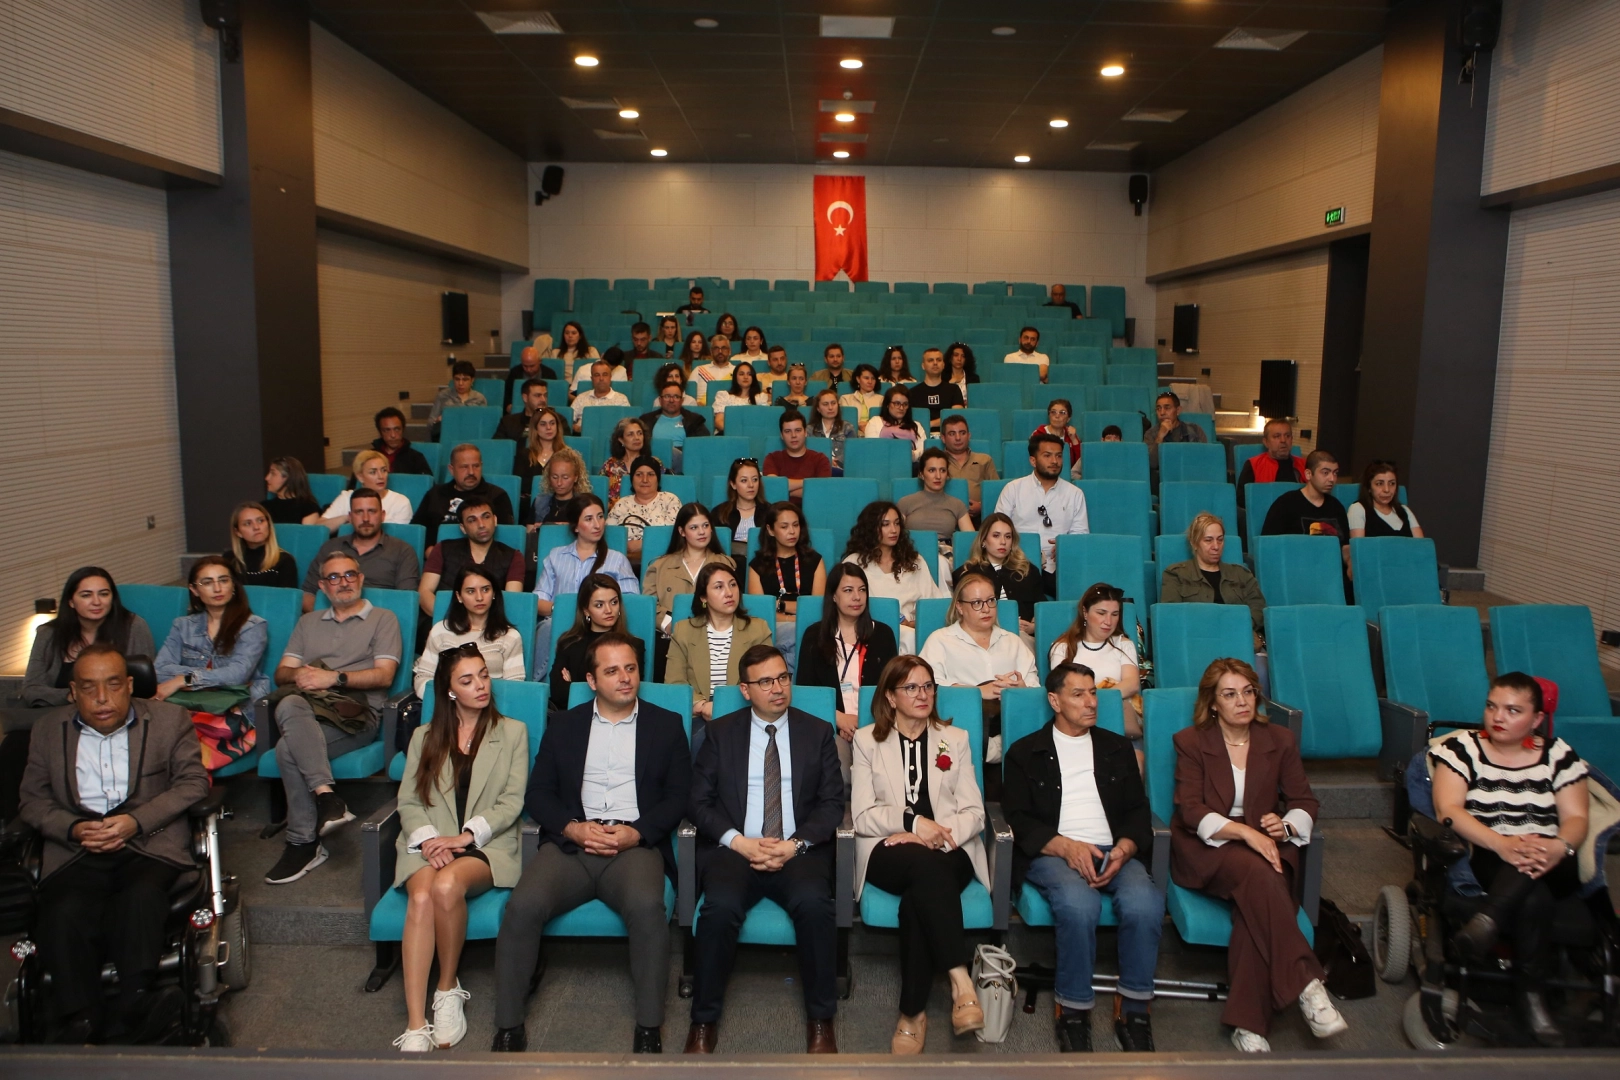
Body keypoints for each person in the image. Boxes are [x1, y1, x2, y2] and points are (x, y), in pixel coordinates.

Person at [494, 633, 690, 1054]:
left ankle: (649, 1026)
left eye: (631, 668)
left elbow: (679, 796)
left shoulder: (666, 724)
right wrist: (571, 828)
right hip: (573, 845)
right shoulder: (565, 725)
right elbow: (538, 794)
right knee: (522, 906)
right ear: (591, 680)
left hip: (633, 846)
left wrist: (639, 832)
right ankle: (508, 1025)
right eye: (612, 671)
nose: (625, 678)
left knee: (647, 908)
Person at [19, 645, 209, 1044]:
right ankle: (80, 1016)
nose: (102, 698)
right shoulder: (48, 730)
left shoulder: (169, 720)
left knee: (139, 897)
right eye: (89, 688)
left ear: (129, 685)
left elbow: (193, 783)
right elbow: (32, 801)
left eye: (113, 685)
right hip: (77, 848)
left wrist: (135, 822)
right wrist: (73, 828)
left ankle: (135, 1002)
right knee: (64, 909)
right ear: (73, 692)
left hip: (149, 842)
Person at [1171, 658, 1343, 1053]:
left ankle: (1247, 1025)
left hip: (1268, 845)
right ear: (1213, 703)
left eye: (1248, 692)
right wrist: (1245, 832)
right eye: (1230, 694)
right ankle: (1307, 984)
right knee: (1260, 873)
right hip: (1210, 846)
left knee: (1253, 912)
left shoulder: (1279, 740)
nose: (1242, 701)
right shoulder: (1192, 742)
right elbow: (1190, 810)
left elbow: (1304, 801)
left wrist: (1286, 826)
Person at [686, 644, 844, 1054]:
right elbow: (698, 802)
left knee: (815, 905)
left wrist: (794, 845)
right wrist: (739, 842)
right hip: (737, 849)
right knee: (719, 908)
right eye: (766, 681)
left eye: (783, 678)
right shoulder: (721, 733)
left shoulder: (816, 731)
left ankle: (821, 1020)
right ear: (745, 689)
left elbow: (831, 804)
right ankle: (703, 1021)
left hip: (797, 850)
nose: (778, 688)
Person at [1002, 663, 1162, 1053]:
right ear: (1054, 701)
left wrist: (1126, 847)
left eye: (1093, 693)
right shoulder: (1026, 752)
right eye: (1078, 694)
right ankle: (1072, 1008)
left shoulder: (1117, 748)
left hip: (1113, 849)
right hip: (1055, 851)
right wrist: (1066, 847)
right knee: (1078, 905)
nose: (1091, 702)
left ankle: (1134, 1007)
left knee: (1144, 903)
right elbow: (1018, 818)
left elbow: (1138, 811)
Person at [1431, 672, 1590, 1047]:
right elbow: (1448, 809)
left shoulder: (1558, 754)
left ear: (1537, 719)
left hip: (1555, 858)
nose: (1498, 717)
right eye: (1492, 706)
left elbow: (1577, 818)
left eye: (1513, 710)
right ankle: (1532, 998)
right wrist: (1501, 844)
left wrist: (1558, 846)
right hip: (1492, 853)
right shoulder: (1460, 749)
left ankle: (1486, 921)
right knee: (1533, 898)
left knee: (1537, 857)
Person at [391, 645, 529, 1052]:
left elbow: (512, 802)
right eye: (467, 680)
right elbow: (408, 801)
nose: (481, 685)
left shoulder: (513, 732)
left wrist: (465, 837)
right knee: (421, 897)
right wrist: (430, 840)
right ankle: (416, 1023)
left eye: (484, 675)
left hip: (485, 844)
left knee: (447, 886)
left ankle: (447, 988)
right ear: (449, 691)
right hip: (429, 842)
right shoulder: (424, 737)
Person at [851, 654, 989, 1053]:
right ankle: (960, 979)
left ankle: (912, 1014)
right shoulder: (867, 741)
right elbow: (863, 815)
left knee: (920, 893)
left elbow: (975, 812)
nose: (922, 694)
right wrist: (914, 825)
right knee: (926, 871)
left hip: (950, 847)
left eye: (928, 686)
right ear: (890, 697)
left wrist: (936, 835)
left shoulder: (955, 739)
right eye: (911, 687)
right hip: (888, 847)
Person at [266, 551, 402, 885]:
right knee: (289, 702)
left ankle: (302, 842)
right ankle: (327, 797)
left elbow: (384, 676)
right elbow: (281, 673)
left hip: (355, 714)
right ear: (323, 586)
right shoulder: (308, 622)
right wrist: (303, 676)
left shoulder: (383, 618)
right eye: (334, 577)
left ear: (361, 578)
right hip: (308, 709)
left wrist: (333, 678)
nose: (344, 582)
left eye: (350, 574)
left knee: (286, 749)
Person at [920, 571, 1038, 768]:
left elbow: (1035, 689)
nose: (986, 609)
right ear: (959, 607)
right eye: (976, 603)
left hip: (1009, 724)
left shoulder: (1012, 641)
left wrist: (1021, 689)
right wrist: (978, 691)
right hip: (963, 727)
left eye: (991, 601)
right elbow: (929, 687)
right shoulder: (940, 640)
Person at [153, 556, 271, 749]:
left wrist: (184, 680)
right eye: (207, 582)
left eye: (223, 580)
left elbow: (237, 675)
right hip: (191, 705)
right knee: (160, 730)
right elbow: (159, 669)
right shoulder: (182, 626)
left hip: (236, 708)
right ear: (194, 590)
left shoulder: (253, 626)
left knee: (180, 739)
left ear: (233, 585)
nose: (217, 588)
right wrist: (212, 678)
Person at [533, 494, 640, 680]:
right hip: (561, 623)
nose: (597, 525)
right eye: (589, 519)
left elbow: (631, 600)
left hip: (599, 625)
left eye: (600, 517)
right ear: (576, 526)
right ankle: (540, 686)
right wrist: (564, 610)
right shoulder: (556, 556)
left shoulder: (616, 559)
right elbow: (537, 601)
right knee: (548, 627)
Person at [19, 568, 155, 712]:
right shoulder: (48, 633)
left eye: (104, 594)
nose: (96, 602)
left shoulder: (134, 626)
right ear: (71, 601)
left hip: (118, 713)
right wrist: (72, 696)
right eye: (86, 595)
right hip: (60, 713)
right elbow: (31, 689)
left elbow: (144, 687)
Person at [667, 563, 772, 724]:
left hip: (743, 712)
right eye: (719, 587)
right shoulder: (684, 630)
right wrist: (701, 705)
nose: (729, 593)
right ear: (703, 597)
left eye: (733, 585)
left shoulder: (758, 629)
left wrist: (723, 707)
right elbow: (674, 682)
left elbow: (765, 680)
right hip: (698, 714)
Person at [843, 501, 946, 653]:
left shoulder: (915, 561)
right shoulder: (853, 563)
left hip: (914, 630)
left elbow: (933, 605)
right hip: (871, 631)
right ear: (871, 528)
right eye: (885, 524)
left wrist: (914, 624)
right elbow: (846, 607)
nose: (893, 530)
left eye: (897, 523)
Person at [995, 433, 1090, 589]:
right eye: (1047, 456)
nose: (1054, 461)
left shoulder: (1074, 494)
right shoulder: (1013, 489)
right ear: (1033, 460)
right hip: (1018, 562)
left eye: (1059, 456)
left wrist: (1065, 546)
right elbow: (998, 530)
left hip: (1058, 565)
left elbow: (1080, 535)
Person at [301, 488, 421, 612]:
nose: (366, 518)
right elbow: (307, 594)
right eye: (359, 512)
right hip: (331, 619)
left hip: (379, 621)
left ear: (382, 515)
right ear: (350, 517)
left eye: (372, 511)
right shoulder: (330, 548)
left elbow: (406, 602)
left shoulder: (402, 551)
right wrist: (331, 618)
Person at [413, 566, 526, 698]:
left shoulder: (509, 636)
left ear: (494, 593)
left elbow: (513, 688)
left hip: (492, 706)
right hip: (445, 706)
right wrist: (453, 700)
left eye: (485, 589)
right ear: (459, 596)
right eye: (471, 591)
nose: (479, 597)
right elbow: (423, 678)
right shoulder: (440, 631)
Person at [1049, 584, 1142, 741]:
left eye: (1115, 614)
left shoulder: (1123, 644)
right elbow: (1063, 690)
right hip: (1076, 722)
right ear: (1085, 613)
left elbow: (1132, 684)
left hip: (1119, 724)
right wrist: (1099, 697)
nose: (1108, 621)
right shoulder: (1063, 647)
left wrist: (1089, 699)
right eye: (1101, 613)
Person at [1161, 513, 1266, 650]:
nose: (1216, 546)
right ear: (1194, 543)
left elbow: (1258, 608)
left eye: (1220, 540)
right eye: (1208, 540)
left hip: (1239, 639)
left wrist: (1237, 626)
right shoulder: (1176, 574)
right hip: (1198, 642)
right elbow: (1172, 614)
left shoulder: (1241, 574)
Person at [549, 575, 647, 712]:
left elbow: (628, 692)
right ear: (586, 610)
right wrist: (604, 689)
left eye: (614, 602)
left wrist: (574, 687)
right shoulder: (568, 643)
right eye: (599, 605)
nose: (609, 610)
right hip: (574, 716)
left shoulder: (634, 645)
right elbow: (558, 694)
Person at [747, 501, 825, 670]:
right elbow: (762, 613)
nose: (792, 531)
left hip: (808, 625)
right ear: (770, 530)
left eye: (796, 525)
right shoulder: (757, 566)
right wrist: (795, 615)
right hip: (773, 627)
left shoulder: (815, 561)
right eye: (784, 527)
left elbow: (816, 608)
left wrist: (779, 605)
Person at [417, 496, 524, 616]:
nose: (481, 524)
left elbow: (511, 602)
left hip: (492, 623)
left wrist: (479, 623)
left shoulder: (513, 556)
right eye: (472, 520)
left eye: (486, 517)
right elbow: (425, 592)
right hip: (445, 619)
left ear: (495, 520)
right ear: (463, 528)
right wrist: (451, 620)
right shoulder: (442, 548)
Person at [1260, 450, 1352, 587]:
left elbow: (1345, 547)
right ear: (1308, 474)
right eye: (1325, 473)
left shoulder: (1337, 507)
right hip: (1296, 574)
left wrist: (1350, 563)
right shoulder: (1286, 504)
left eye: (1335, 473)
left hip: (1332, 576)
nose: (1332, 479)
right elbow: (1268, 546)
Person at [642, 503, 734, 635]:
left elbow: (732, 600)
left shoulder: (725, 564)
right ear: (682, 531)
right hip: (671, 634)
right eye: (694, 527)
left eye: (705, 525)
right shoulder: (659, 566)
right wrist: (667, 624)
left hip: (715, 632)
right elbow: (649, 604)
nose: (702, 532)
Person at [412, 444, 517, 549]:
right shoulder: (435, 494)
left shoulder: (497, 496)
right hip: (440, 555)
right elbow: (416, 532)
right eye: (464, 467)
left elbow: (506, 537)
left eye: (476, 466)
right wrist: (428, 550)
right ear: (451, 469)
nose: (471, 472)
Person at [957, 513, 1042, 641]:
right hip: (983, 635)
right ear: (983, 540)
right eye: (996, 536)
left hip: (1023, 637)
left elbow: (1041, 606)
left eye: (1008, 536)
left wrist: (1033, 626)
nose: (1003, 542)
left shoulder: (1028, 571)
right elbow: (963, 614)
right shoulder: (968, 574)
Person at [898, 448, 973, 573]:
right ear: (921, 474)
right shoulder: (905, 502)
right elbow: (895, 534)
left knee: (940, 563)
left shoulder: (957, 504)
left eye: (942, 470)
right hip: (913, 551)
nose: (938, 476)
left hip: (945, 554)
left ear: (947, 474)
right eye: (932, 470)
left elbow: (970, 539)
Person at [605, 455, 682, 564]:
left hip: (663, 562)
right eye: (639, 475)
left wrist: (642, 544)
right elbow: (610, 537)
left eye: (650, 474)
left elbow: (676, 536)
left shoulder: (670, 500)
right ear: (632, 479)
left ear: (658, 479)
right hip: (622, 562)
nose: (645, 480)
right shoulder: (622, 504)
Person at [319, 451, 414, 529]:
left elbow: (396, 537)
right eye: (373, 472)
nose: (381, 476)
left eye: (384, 470)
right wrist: (348, 518)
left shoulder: (401, 502)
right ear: (360, 477)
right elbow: (319, 528)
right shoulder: (346, 498)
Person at [763, 410, 832, 503]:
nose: (793, 435)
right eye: (787, 431)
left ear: (805, 432)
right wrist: (809, 483)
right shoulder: (772, 458)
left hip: (812, 509)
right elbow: (773, 485)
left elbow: (821, 491)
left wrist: (786, 491)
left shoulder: (820, 459)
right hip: (780, 510)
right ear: (781, 435)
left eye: (798, 430)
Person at [228, 500, 300, 589]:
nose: (256, 527)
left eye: (261, 521)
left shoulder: (285, 560)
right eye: (247, 523)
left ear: (269, 525)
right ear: (237, 532)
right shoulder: (229, 559)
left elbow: (287, 597)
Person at [640, 383, 710, 474]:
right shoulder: (646, 420)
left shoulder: (694, 421)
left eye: (676, 397)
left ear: (682, 400)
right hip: (653, 462)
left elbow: (703, 446)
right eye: (667, 396)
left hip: (684, 462)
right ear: (660, 400)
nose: (671, 400)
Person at [941, 414, 999, 523]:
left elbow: (996, 492)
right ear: (943, 438)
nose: (958, 438)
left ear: (969, 435)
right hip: (944, 517)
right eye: (952, 434)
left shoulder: (984, 460)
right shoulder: (937, 462)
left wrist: (982, 506)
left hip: (980, 518)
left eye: (962, 433)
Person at [1235, 419, 1307, 503]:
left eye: (1287, 436)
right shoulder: (1253, 465)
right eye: (1277, 436)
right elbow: (1241, 499)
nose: (1283, 440)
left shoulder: (1305, 465)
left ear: (1292, 439)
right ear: (1266, 442)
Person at [1350, 459, 1424, 538]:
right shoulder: (1358, 509)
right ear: (1369, 487)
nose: (1387, 489)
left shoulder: (1404, 510)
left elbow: (1421, 544)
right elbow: (1359, 545)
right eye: (1379, 484)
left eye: (1392, 483)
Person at [1143, 390, 1208, 478]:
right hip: (1162, 479)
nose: (1162, 413)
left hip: (1191, 476)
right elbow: (1152, 463)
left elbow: (1204, 460)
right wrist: (1160, 437)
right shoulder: (1150, 434)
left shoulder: (1195, 430)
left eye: (1167, 408)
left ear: (1178, 410)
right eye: (1158, 409)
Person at [712, 457, 764, 559]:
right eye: (744, 480)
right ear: (733, 484)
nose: (751, 485)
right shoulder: (719, 513)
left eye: (755, 479)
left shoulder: (770, 512)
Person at [600, 417, 657, 507]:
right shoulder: (610, 465)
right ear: (621, 440)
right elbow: (601, 493)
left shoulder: (654, 463)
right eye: (630, 434)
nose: (637, 438)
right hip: (616, 511)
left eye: (639, 433)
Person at [907, 348, 965, 434]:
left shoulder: (954, 389)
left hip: (949, 435)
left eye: (938, 360)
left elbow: (957, 416)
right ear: (923, 366)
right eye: (930, 360)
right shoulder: (913, 392)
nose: (935, 363)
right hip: (921, 435)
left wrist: (930, 424)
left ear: (943, 364)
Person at [513, 406, 568, 496]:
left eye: (552, 423)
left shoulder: (567, 455)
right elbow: (520, 486)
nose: (548, 427)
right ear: (535, 428)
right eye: (543, 424)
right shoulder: (524, 455)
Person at [530, 446, 590, 527]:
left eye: (565, 478)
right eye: (554, 477)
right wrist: (536, 529)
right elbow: (529, 531)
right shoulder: (539, 502)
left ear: (576, 477)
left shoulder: (584, 504)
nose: (559, 483)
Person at [863, 386, 927, 462]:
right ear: (887, 404)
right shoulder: (875, 422)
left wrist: (913, 455)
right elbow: (872, 448)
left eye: (905, 404)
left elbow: (924, 449)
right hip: (883, 463)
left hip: (911, 464)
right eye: (897, 403)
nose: (901, 408)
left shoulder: (916, 425)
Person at [572, 359, 631, 434]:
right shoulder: (581, 398)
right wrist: (575, 427)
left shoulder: (621, 399)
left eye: (605, 374)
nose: (601, 378)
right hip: (584, 435)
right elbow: (567, 421)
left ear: (610, 377)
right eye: (597, 375)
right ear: (592, 379)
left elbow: (629, 425)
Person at [807, 387, 857, 474]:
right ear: (818, 408)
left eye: (833, 403)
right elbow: (807, 454)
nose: (830, 407)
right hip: (817, 470)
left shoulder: (847, 427)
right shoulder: (809, 430)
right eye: (825, 404)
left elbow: (853, 451)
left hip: (842, 470)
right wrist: (826, 461)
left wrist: (837, 461)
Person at [373, 407, 434, 475]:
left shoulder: (415, 458)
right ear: (380, 432)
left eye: (397, 429)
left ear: (403, 429)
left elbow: (426, 480)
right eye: (387, 430)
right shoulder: (370, 456)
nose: (393, 435)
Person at [429, 359, 488, 429]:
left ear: (472, 380)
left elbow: (485, 422)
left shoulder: (479, 398)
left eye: (465, 380)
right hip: (449, 431)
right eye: (457, 379)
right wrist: (437, 421)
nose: (460, 383)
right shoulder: (443, 396)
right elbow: (430, 422)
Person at [263, 456, 321, 525]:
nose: (267, 478)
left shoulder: (308, 507)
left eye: (273, 474)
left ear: (289, 478)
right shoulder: (263, 507)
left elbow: (307, 531)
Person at [1033, 398, 1082, 478]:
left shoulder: (1071, 435)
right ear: (1049, 415)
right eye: (1053, 412)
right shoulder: (1038, 434)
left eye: (1062, 413)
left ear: (1068, 418)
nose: (1057, 416)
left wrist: (1074, 440)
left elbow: (1079, 464)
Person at [711, 361, 767, 430]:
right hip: (728, 434)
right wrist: (735, 433)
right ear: (735, 377)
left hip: (753, 433)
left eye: (749, 374)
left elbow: (764, 422)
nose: (745, 377)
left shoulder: (760, 398)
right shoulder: (724, 396)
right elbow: (719, 422)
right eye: (741, 374)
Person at [501, 345, 557, 414]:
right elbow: (507, 394)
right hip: (521, 412)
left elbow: (554, 397)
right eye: (525, 366)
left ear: (539, 361)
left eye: (532, 366)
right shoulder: (515, 373)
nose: (528, 369)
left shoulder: (550, 374)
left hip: (543, 411)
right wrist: (509, 406)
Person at [495, 378, 550, 442]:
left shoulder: (555, 421)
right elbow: (498, 446)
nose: (543, 400)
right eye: (538, 395)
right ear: (525, 398)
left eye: (545, 395)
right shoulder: (508, 422)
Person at [547, 320, 599, 385]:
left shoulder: (591, 351)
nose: (570, 336)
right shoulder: (555, 353)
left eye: (574, 333)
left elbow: (599, 370)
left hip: (582, 385)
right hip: (562, 385)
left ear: (580, 336)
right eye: (567, 333)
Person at [693, 334, 734, 403]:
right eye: (716, 348)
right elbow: (689, 397)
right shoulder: (699, 370)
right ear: (711, 351)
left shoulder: (737, 371)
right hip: (703, 408)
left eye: (724, 348)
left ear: (729, 351)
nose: (720, 351)